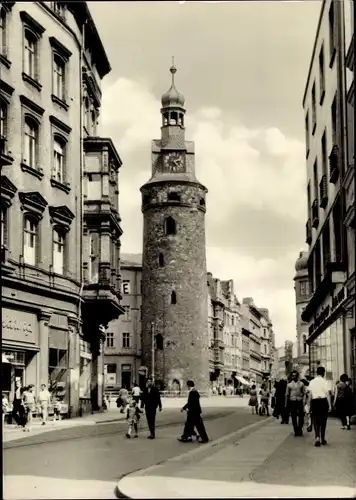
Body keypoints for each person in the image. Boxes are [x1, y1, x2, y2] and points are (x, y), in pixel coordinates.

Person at [308, 366, 331, 447]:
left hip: (315, 402)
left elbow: (310, 395)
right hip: (323, 402)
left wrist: (308, 405)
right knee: (323, 421)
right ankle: (323, 439)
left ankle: (317, 437)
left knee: (316, 421)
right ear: (323, 373)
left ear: (316, 373)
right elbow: (327, 394)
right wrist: (330, 405)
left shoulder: (312, 382)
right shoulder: (325, 382)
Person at [285, 370, 306, 436]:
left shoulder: (301, 384)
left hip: (299, 400)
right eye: (293, 375)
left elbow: (304, 393)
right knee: (293, 416)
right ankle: (296, 430)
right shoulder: (289, 385)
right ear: (291, 376)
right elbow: (287, 395)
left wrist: (304, 401)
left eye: (295, 375)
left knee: (301, 416)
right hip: (292, 401)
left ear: (297, 376)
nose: (294, 377)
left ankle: (300, 428)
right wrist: (286, 404)